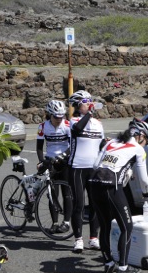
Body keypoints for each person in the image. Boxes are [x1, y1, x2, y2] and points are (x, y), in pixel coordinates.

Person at [90, 119, 148, 273]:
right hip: (111, 187)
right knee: (127, 227)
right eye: (146, 141)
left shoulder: (111, 142)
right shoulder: (137, 148)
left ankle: (109, 264)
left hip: (94, 183)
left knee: (105, 226)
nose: (145, 145)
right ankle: (123, 268)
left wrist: (125, 171)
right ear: (141, 136)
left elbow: (96, 164)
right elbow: (144, 179)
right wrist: (146, 194)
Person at [67, 90, 103, 253]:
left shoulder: (98, 123)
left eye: (90, 101)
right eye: (84, 102)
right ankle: (78, 239)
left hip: (94, 168)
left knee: (96, 204)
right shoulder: (73, 121)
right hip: (77, 168)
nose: (88, 104)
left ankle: (94, 238)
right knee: (79, 204)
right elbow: (77, 131)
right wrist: (89, 114)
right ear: (76, 105)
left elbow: (101, 145)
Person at [35, 99, 73, 234]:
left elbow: (72, 146)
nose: (59, 119)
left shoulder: (68, 125)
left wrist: (62, 157)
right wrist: (42, 161)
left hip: (65, 162)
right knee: (52, 193)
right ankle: (55, 223)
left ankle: (66, 222)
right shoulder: (43, 127)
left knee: (67, 192)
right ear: (50, 114)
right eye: (56, 117)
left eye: (61, 116)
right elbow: (39, 148)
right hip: (50, 162)